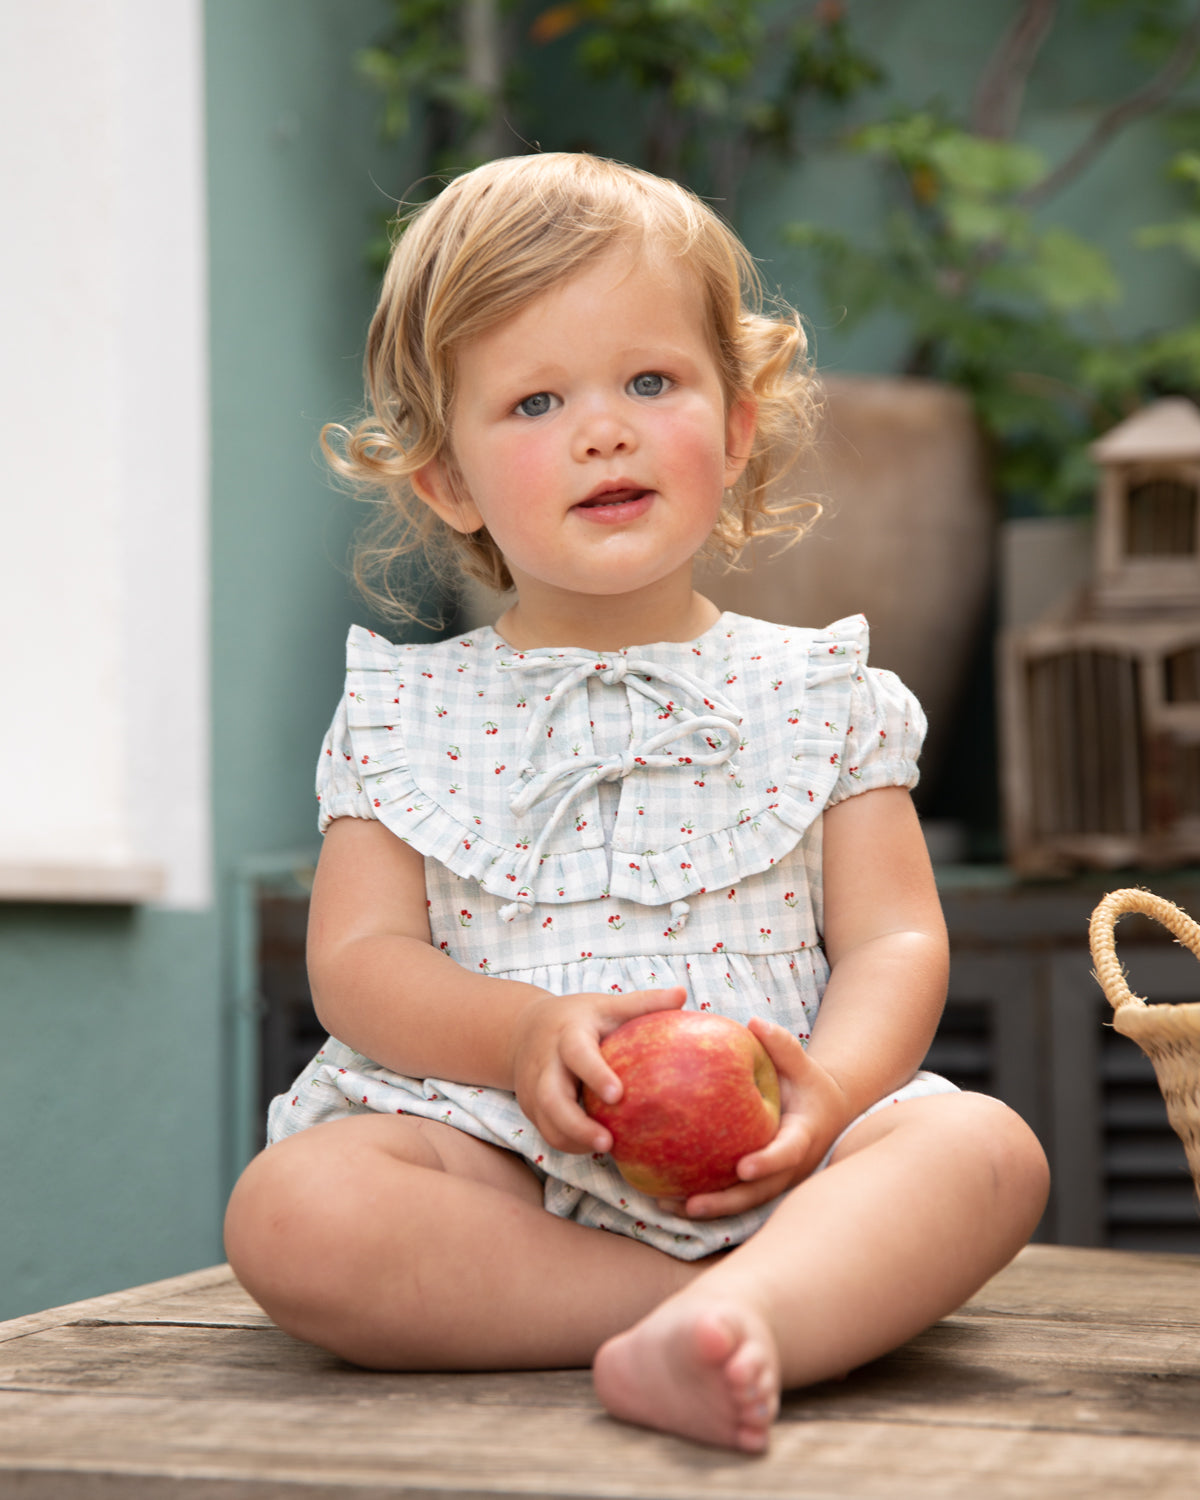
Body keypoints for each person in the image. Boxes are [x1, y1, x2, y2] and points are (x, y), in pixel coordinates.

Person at [224, 152, 1049, 1455]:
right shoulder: (407, 712)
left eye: (650, 382)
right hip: (500, 1162)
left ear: (736, 421)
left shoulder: (824, 691)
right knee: (294, 1212)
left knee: (990, 1155)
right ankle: (715, 1316)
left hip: (783, 1150)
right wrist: (513, 1038)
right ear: (444, 479)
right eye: (537, 399)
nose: (602, 428)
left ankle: (766, 1296)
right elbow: (359, 961)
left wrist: (832, 1092)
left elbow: (894, 938)